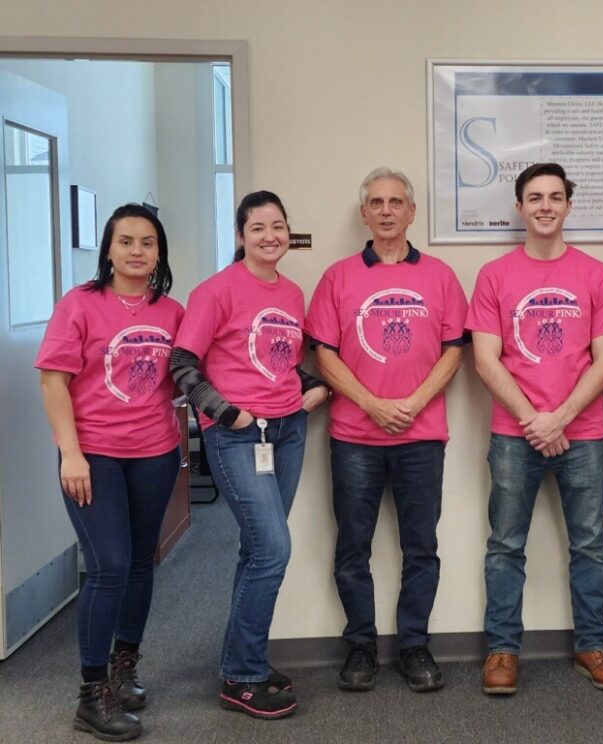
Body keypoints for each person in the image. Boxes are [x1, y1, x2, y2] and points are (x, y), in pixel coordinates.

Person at [467, 162, 603, 695]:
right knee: (506, 545)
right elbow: (487, 360)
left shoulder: (596, 275)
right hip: (515, 435)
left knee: (590, 545)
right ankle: (502, 651)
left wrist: (559, 417)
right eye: (534, 197)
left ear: (567, 205)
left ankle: (592, 646)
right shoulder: (494, 275)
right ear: (519, 206)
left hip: (580, 436)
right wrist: (534, 419)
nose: (544, 206)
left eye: (555, 197)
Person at [306, 168, 467, 693]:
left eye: (396, 201)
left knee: (421, 546)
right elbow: (323, 355)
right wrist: (373, 405)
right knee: (354, 545)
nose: (386, 210)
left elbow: (454, 350)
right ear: (364, 214)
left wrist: (414, 403)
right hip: (355, 437)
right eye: (376, 202)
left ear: (412, 212)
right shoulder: (338, 277)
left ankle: (415, 645)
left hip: (422, 439)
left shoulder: (440, 276)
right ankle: (360, 646)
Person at [170, 191, 328, 719]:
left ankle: (243, 662)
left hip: (288, 431)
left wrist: (314, 386)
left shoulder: (292, 292)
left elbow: (277, 360)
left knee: (255, 550)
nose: (270, 236)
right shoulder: (215, 291)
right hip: (239, 435)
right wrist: (227, 413)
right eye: (258, 227)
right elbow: (183, 363)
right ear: (241, 235)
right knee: (273, 551)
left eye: (278, 226)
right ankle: (242, 675)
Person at [37, 204, 184, 741]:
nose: (137, 251)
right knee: (109, 566)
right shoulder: (80, 304)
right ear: (108, 249)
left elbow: (191, 371)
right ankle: (90, 693)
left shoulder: (173, 311)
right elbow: (54, 381)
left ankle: (125, 668)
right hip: (92, 454)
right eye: (126, 241)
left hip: (155, 452)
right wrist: (70, 453)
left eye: (148, 242)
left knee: (140, 563)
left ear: (159, 252)